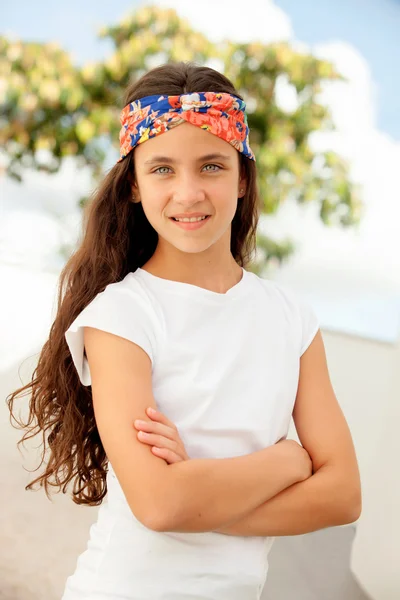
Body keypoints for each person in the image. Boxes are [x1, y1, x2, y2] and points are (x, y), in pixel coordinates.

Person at [7, 61, 361, 600]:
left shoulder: (292, 317)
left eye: (212, 166)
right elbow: (160, 505)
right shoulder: (121, 316)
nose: (189, 192)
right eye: (163, 169)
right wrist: (287, 460)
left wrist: (199, 494)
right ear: (133, 185)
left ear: (243, 178)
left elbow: (342, 495)